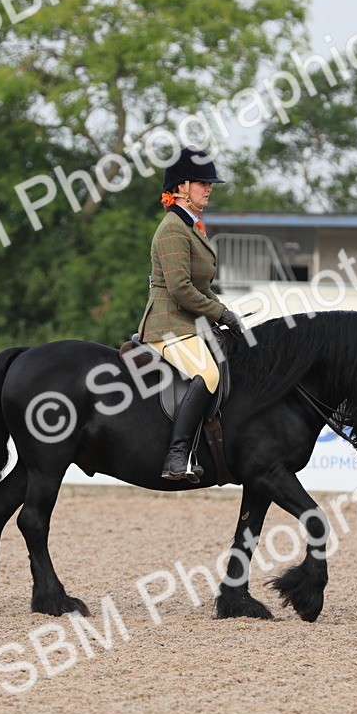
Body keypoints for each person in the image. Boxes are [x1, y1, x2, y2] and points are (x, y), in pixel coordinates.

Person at [138, 146, 245, 482]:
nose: (209, 188)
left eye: (209, 183)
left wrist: (225, 314)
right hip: (167, 323)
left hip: (189, 322)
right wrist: (220, 313)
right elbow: (181, 289)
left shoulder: (193, 227)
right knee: (209, 374)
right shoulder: (172, 229)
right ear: (182, 187)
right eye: (202, 182)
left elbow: (201, 287)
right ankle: (177, 456)